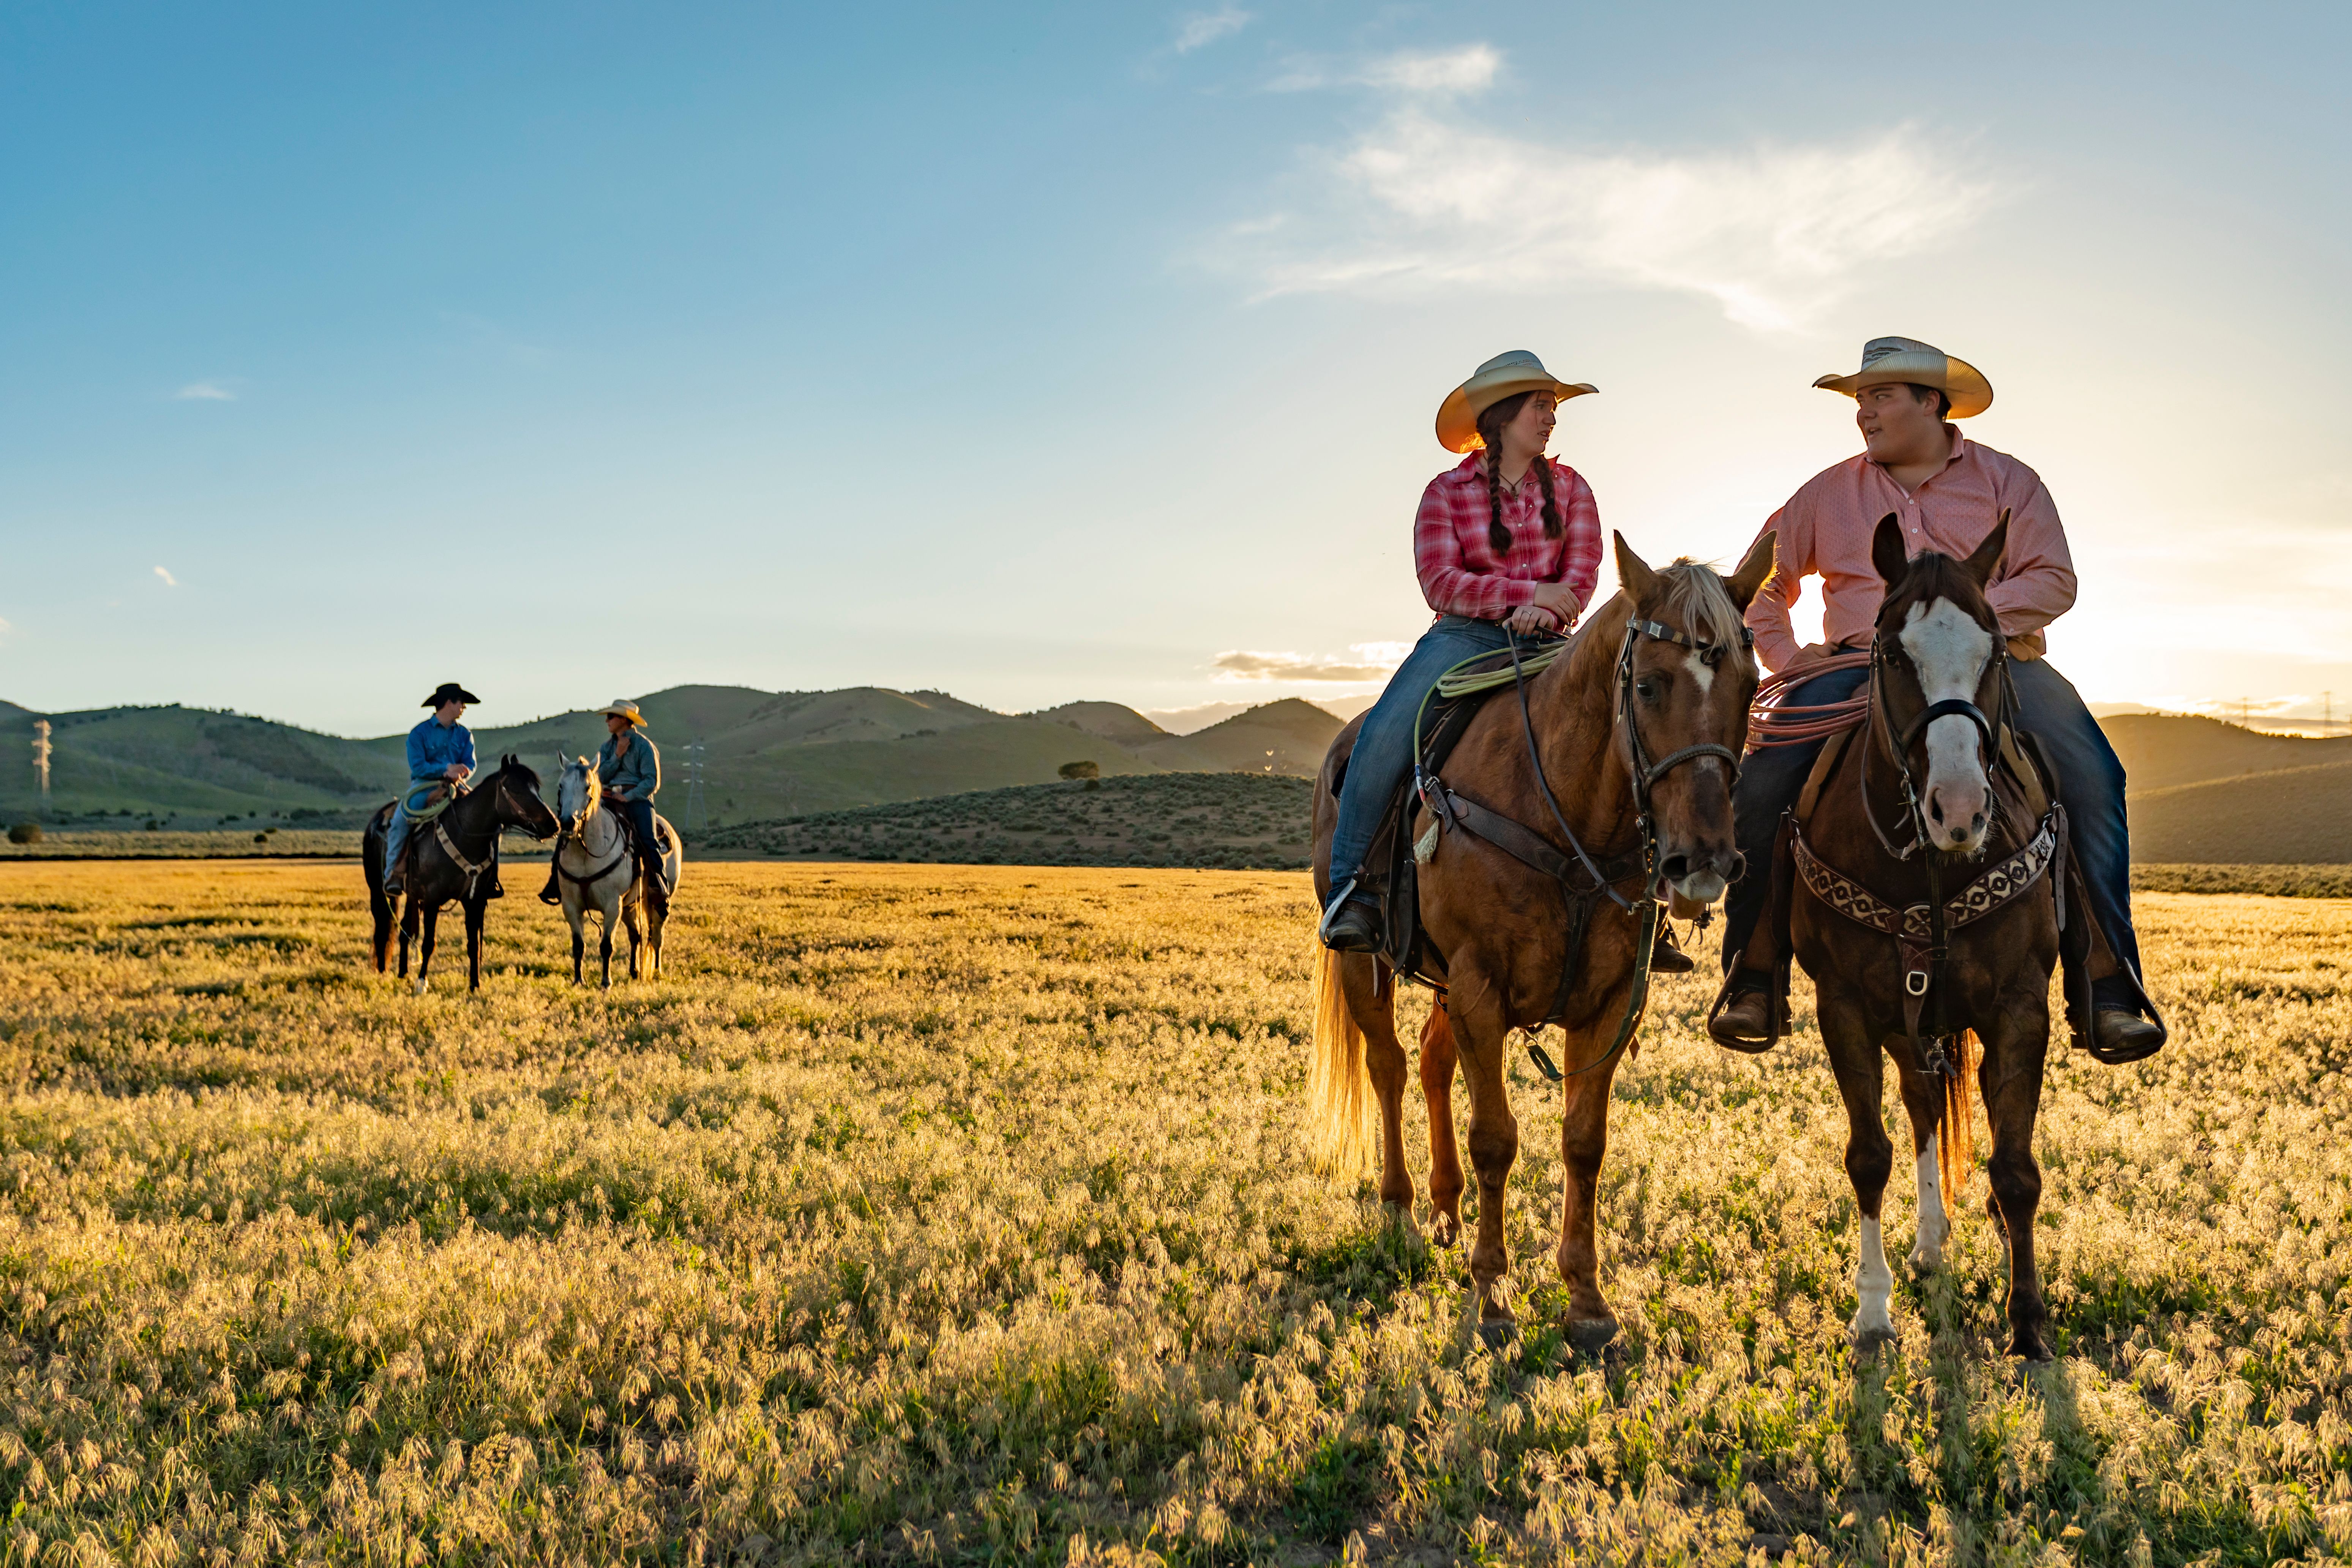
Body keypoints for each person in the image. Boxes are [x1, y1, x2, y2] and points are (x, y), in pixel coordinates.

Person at [1708, 337, 2161, 1060]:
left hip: (1990, 666)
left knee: (2094, 778)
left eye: (1879, 396)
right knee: (1762, 784)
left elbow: (2053, 579)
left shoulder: (2008, 482)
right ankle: (1752, 973)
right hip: (1860, 665)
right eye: (1858, 400)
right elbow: (1758, 584)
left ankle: (2105, 984)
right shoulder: (1824, 493)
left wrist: (1959, 618)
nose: (1863, 413)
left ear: (1930, 402)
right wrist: (1790, 660)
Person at [1321, 349, 1648, 957]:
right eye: (1540, 405)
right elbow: (1439, 582)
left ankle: (1642, 902)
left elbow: (1582, 576)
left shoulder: (1574, 489)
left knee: (1635, 728)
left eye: (1553, 406)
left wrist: (1548, 608)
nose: (1551, 417)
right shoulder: (1445, 492)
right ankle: (1353, 892)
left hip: (1552, 640)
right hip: (1461, 639)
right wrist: (1522, 596)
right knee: (1385, 736)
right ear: (1500, 416)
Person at [543, 699, 668, 913]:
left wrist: (628, 797)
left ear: (624, 720)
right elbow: (598, 776)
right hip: (607, 796)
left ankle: (659, 889)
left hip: (636, 801)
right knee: (569, 831)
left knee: (648, 840)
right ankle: (555, 882)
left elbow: (651, 781)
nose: (607, 721)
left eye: (611, 717)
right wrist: (618, 757)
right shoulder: (607, 748)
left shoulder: (644, 746)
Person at [384, 682, 478, 898]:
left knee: (488, 815)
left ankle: (488, 878)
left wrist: (461, 773)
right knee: (400, 822)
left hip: (457, 787)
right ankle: (393, 875)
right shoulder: (419, 734)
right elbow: (418, 767)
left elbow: (470, 765)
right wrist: (446, 770)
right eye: (461, 703)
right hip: (424, 786)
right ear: (449, 703)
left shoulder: (465, 735)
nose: (464, 707)